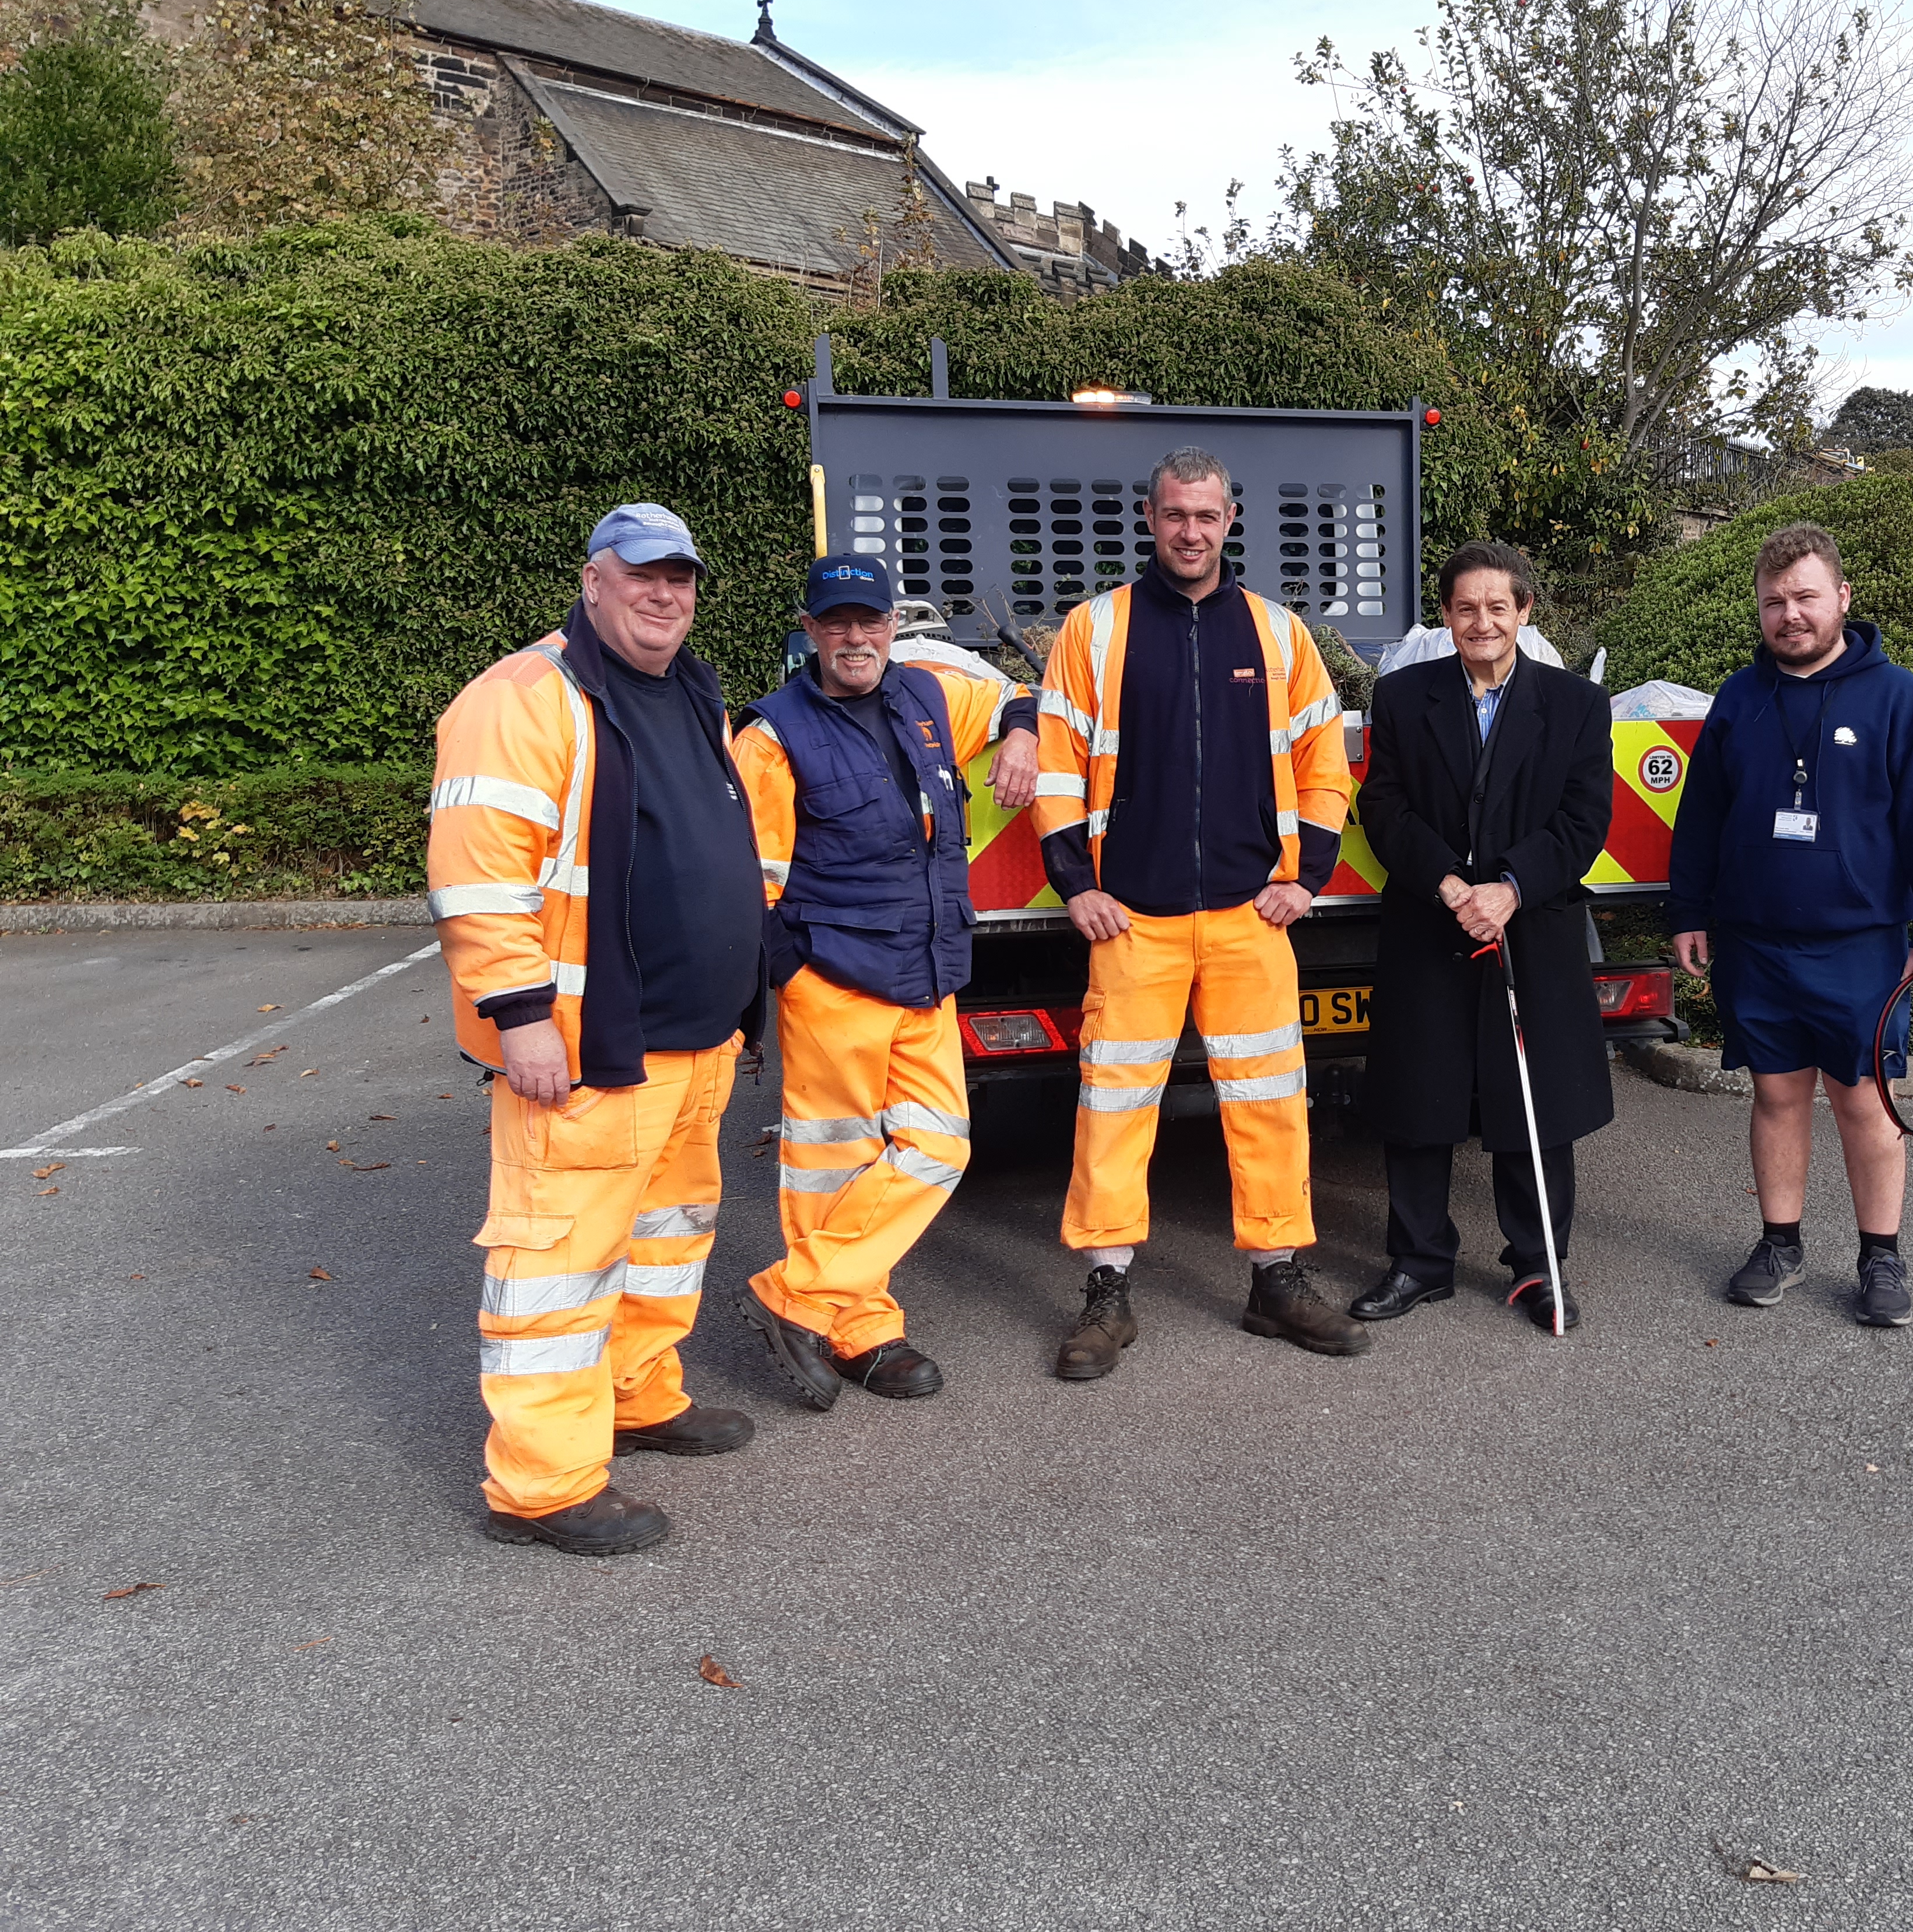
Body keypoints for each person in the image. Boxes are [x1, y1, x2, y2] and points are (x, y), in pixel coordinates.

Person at [429, 503, 767, 1556]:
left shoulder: (691, 686)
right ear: (593, 579)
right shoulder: (521, 699)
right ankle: (541, 1485)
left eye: (682, 578)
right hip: (582, 1048)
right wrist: (521, 1017)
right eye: (643, 575)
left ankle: (639, 1394)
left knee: (666, 1237)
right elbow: (479, 880)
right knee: (557, 1262)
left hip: (693, 1041)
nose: (665, 594)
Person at [1031, 447, 1367, 1378]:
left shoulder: (1276, 633)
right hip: (1130, 918)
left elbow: (1324, 760)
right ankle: (1106, 1294)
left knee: (1269, 1104)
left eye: (1207, 516)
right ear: (1150, 518)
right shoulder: (1094, 631)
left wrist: (1307, 874)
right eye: (1176, 515)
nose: (1191, 532)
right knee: (1114, 1105)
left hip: (1249, 916)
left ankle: (1278, 1279)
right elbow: (1057, 763)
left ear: (1231, 520)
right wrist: (1078, 885)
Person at [728, 556, 1041, 1409]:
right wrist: (779, 982)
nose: (855, 637)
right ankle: (862, 1329)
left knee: (938, 1148)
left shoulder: (929, 695)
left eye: (869, 621)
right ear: (810, 630)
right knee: (832, 1167)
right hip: (834, 980)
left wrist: (1022, 732)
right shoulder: (771, 735)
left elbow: (1021, 695)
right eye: (837, 623)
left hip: (928, 972)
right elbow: (748, 885)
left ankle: (797, 1297)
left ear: (893, 627)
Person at [1666, 521, 1913, 1327]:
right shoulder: (1738, 698)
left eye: (1804, 597)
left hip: (1863, 945)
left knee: (1865, 1100)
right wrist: (1688, 910)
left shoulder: (1895, 695)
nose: (1789, 615)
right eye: (1774, 602)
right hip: (1754, 942)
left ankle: (1882, 1258)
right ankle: (1780, 1244)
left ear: (1841, 598)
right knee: (1775, 1095)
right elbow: (1702, 817)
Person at [1350, 542, 1614, 1333]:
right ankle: (1419, 1262)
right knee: (1419, 1096)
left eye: (1499, 607)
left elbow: (1584, 818)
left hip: (1531, 928)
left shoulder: (1574, 705)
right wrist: (1450, 882)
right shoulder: (1400, 698)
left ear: (1525, 611)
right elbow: (1384, 809)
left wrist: (1510, 888)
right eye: (1467, 608)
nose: (1483, 622)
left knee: (1531, 1099)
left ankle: (1538, 1269)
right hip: (1432, 921)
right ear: (1447, 616)